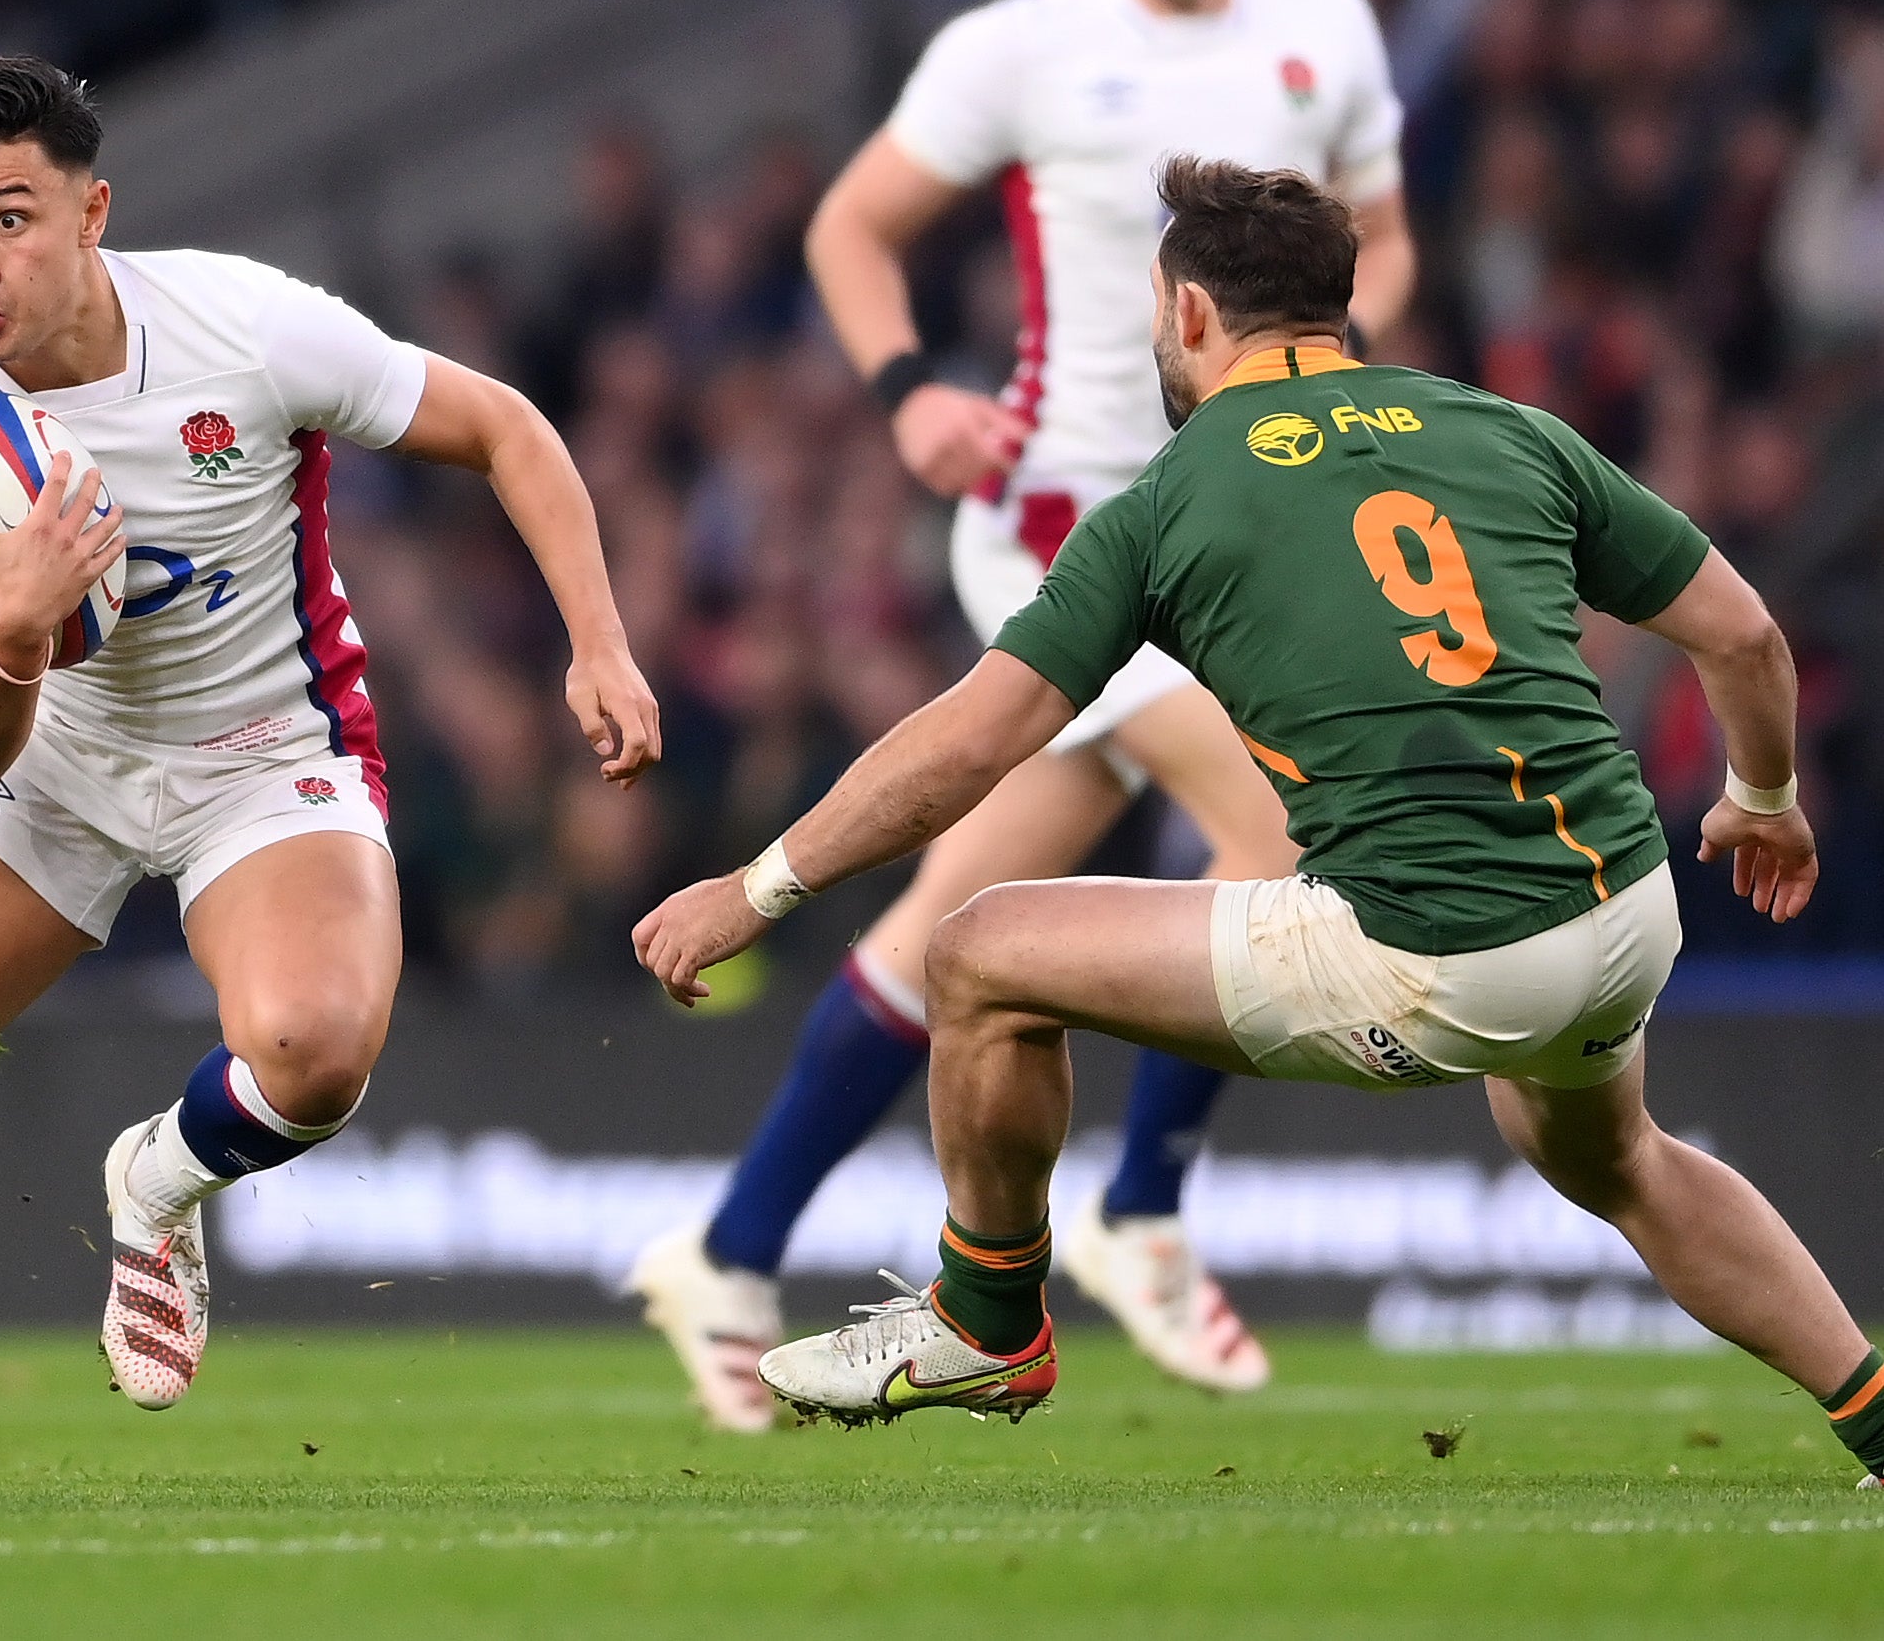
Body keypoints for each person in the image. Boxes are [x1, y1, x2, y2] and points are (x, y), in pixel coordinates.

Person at [632, 158, 1884, 1493]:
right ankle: (1871, 1407)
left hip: (1435, 947)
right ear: (1336, 311)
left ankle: (987, 1321)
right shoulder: (1503, 428)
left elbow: (964, 748)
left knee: (980, 952)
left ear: (1186, 316)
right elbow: (1744, 634)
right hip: (1625, 908)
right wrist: (1763, 800)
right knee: (1614, 1156)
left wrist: (758, 887)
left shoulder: (1172, 499)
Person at [0, 52, 662, 1498]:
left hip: (261, 753)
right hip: (51, 769)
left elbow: (506, 429)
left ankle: (158, 1177)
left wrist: (597, 643)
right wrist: (21, 628)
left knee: (315, 1061)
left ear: (94, 215)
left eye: (10, 217)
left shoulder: (243, 325)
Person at [622, 0, 1417, 1427]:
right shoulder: (1026, 42)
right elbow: (852, 227)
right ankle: (1138, 1217)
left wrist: (1346, 363)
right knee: (1284, 826)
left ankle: (730, 1241)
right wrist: (909, 389)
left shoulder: (1323, 26)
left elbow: (1385, 238)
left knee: (958, 921)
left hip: (1254, 518)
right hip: (1069, 526)